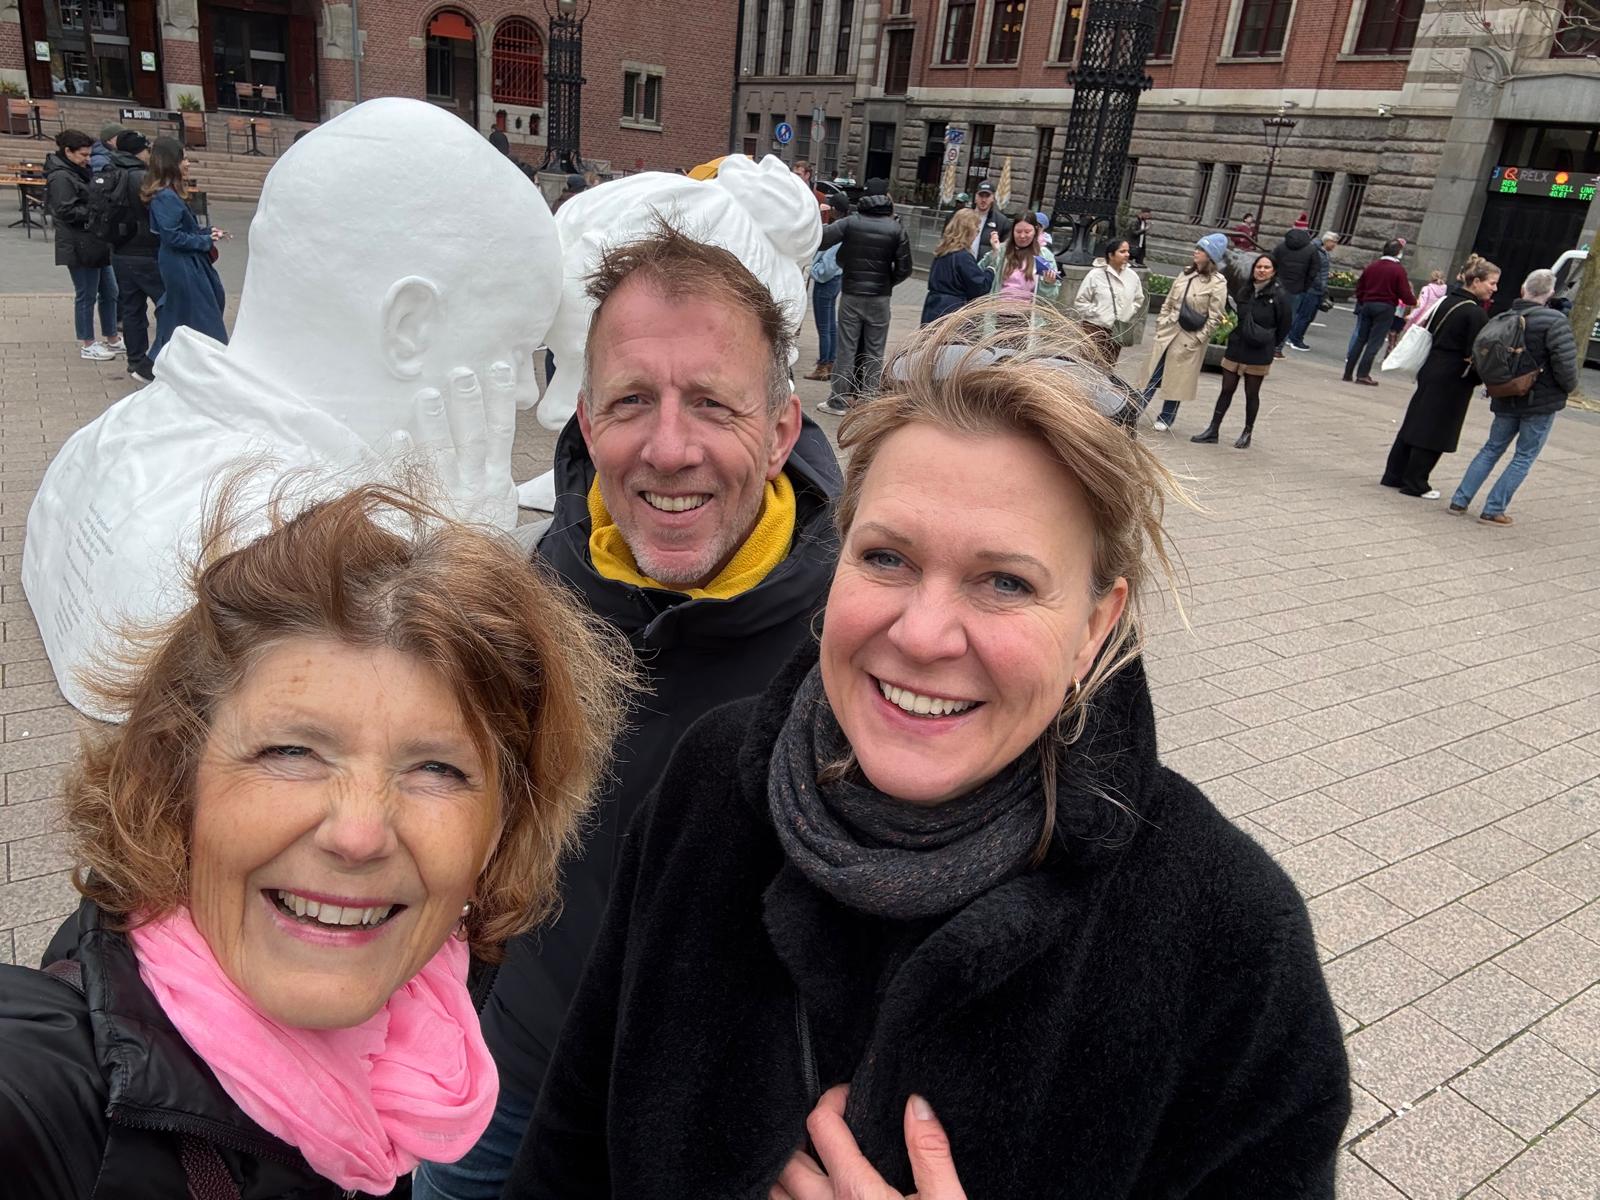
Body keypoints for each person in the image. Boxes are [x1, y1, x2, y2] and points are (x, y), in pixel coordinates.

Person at [508, 301, 1351, 1198]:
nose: (922, 633)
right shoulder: (713, 778)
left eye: (1005, 582)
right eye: (888, 559)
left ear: (1094, 627)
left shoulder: (1228, 935)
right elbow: (573, 1140)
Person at [0, 479, 631, 1199]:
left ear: (499, 834)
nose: (359, 834)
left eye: (436, 769)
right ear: (175, 786)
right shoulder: (40, 1103)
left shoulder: (422, 1042)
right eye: (292, 752)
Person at [415, 226, 843, 1200]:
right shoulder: (547, 575)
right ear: (585, 420)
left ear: (781, 432)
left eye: (712, 404)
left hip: (707, 1126)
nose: (668, 448)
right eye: (630, 401)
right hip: (509, 1066)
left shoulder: (853, 635)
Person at [1449, 267, 1577, 525]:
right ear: (1551, 293)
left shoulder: (1504, 316)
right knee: (1524, 455)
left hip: (1506, 392)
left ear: (1523, 289)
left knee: (1491, 448)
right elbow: (1565, 363)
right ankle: (1493, 509)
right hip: (1540, 399)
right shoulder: (1555, 322)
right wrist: (1568, 387)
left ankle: (1460, 500)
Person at [1381, 255, 1499, 498]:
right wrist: (1483, 378)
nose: (1494, 288)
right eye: (1492, 283)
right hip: (1454, 376)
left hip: (1432, 366)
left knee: (1416, 420)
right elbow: (1477, 351)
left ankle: (1394, 473)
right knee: (1436, 428)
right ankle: (1416, 482)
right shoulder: (1474, 313)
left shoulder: (1446, 301)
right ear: (1476, 281)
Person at [816, 176, 913, 416]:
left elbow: (823, 240)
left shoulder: (851, 222)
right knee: (875, 352)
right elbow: (905, 268)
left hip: (851, 294)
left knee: (846, 349)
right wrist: (887, 282)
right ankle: (869, 402)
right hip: (880, 297)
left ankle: (838, 401)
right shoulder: (896, 228)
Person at [1190, 252, 1293, 449]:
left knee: (1251, 393)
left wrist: (1269, 341)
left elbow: (1284, 325)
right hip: (1237, 347)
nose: (1261, 271)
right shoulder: (1245, 290)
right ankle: (1213, 429)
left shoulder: (1279, 296)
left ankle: (1247, 431)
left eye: (1266, 267)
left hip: (1259, 351)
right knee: (1226, 389)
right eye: (1258, 267)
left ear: (1273, 271)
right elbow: (1234, 313)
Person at [143, 137, 227, 360]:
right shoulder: (165, 197)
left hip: (186, 261)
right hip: (181, 263)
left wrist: (206, 232)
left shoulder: (168, 194)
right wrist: (205, 240)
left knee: (185, 312)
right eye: (184, 159)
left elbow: (179, 230)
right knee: (198, 313)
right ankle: (201, 358)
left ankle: (161, 360)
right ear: (171, 162)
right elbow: (172, 236)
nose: (188, 164)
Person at [44, 129, 122, 361]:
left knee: (110, 291)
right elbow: (64, 210)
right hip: (79, 242)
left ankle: (112, 337)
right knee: (86, 294)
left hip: (94, 241)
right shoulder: (60, 176)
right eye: (83, 155)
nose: (87, 159)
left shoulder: (77, 171)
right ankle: (88, 343)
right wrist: (95, 210)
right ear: (68, 151)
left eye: (89, 154)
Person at [1143, 233, 1230, 431]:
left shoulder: (1217, 283)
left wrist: (1197, 339)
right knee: (1153, 373)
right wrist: (1161, 323)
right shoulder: (1185, 274)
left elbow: (1215, 316)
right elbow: (1168, 301)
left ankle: (1167, 417)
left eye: (1201, 249)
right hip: (1169, 331)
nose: (1196, 252)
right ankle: (1136, 408)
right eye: (1197, 247)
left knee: (1178, 378)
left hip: (1189, 336)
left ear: (1210, 256)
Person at [102, 130, 163, 383]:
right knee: (166, 304)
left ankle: (135, 359)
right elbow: (156, 213)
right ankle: (159, 358)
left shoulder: (109, 172)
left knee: (131, 309)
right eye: (147, 150)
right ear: (139, 151)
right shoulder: (141, 177)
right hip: (145, 251)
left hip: (119, 250)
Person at [1345, 239, 1416, 385]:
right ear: (1398, 252)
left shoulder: (1372, 266)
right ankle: (1363, 374)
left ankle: (1348, 372)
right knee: (1374, 342)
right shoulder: (1398, 270)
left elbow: (1360, 286)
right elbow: (1404, 292)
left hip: (1368, 304)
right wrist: (1412, 301)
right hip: (1385, 307)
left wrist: (1363, 300)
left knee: (1360, 339)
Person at [1072, 234, 1146, 366]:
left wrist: (1128, 312)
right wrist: (1096, 312)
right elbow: (1081, 301)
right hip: (1094, 328)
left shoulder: (1132, 276)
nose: (1127, 254)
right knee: (1087, 366)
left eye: (1128, 251)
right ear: (1111, 255)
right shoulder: (1095, 275)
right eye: (1122, 251)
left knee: (1107, 368)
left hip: (1118, 330)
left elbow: (1138, 299)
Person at [979, 212, 1061, 321]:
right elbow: (979, 272)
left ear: (1035, 231)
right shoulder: (1002, 250)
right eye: (1018, 231)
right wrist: (994, 253)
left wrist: (1048, 284)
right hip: (998, 315)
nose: (1022, 236)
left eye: (1027, 232)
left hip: (1027, 319)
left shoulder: (1044, 256)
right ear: (1012, 231)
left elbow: (1050, 299)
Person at [920, 208, 991, 325]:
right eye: (976, 230)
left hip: (933, 307)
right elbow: (980, 287)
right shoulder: (963, 256)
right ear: (968, 231)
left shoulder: (942, 251)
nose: (977, 234)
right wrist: (991, 270)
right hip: (951, 310)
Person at [805, 195, 849, 379]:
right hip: (835, 281)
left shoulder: (836, 232)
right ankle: (830, 361)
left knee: (824, 326)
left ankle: (823, 365)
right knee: (830, 324)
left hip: (826, 282)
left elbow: (828, 267)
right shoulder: (844, 228)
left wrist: (811, 269)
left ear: (835, 210)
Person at [1286, 231, 1339, 352]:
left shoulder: (1321, 252)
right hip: (1312, 289)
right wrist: (1320, 284)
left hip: (1315, 288)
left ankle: (1294, 337)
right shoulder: (1317, 252)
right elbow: (1313, 272)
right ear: (1327, 241)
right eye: (1334, 242)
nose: (1335, 245)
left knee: (1306, 315)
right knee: (1305, 315)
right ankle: (1295, 339)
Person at [1269, 224, 1317, 356]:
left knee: (1271, 315)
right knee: (1288, 319)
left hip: (1277, 286)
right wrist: (1304, 287)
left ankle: (1266, 343)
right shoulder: (1311, 250)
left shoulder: (1281, 247)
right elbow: (1313, 271)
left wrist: (1273, 281)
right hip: (1296, 289)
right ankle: (1278, 348)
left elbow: (1271, 262)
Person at [969, 179, 1012, 257]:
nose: (983, 200)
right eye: (981, 196)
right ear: (975, 197)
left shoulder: (1002, 222)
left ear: (993, 198)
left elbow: (1005, 249)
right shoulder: (964, 218)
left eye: (987, 196)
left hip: (985, 263)